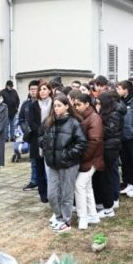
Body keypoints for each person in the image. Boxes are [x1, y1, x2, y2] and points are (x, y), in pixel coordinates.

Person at [41, 94, 87, 233]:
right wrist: (46, 148)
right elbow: (42, 137)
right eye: (54, 106)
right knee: (52, 194)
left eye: (59, 105)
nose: (56, 108)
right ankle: (59, 216)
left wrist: (67, 155)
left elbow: (82, 143)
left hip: (69, 164)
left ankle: (66, 221)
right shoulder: (50, 121)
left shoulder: (74, 122)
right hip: (53, 163)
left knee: (67, 194)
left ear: (67, 106)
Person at [73, 94, 103, 230]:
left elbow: (95, 141)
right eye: (74, 105)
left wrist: (83, 156)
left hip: (92, 159)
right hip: (89, 159)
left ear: (87, 104)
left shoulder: (94, 118)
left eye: (78, 104)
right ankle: (93, 215)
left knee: (79, 186)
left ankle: (83, 217)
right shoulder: (85, 117)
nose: (76, 107)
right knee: (87, 187)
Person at [93, 92, 122, 218]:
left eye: (99, 103)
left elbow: (110, 131)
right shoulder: (102, 115)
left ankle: (109, 207)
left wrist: (96, 129)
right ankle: (101, 204)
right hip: (103, 148)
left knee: (107, 178)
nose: (97, 105)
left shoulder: (113, 115)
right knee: (100, 177)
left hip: (110, 149)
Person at [26, 81, 52, 202]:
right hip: (37, 139)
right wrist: (41, 132)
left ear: (49, 90)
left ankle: (52, 192)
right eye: (40, 89)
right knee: (39, 167)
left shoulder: (54, 104)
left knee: (51, 169)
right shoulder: (33, 105)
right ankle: (43, 193)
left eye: (44, 89)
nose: (42, 91)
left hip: (52, 138)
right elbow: (31, 122)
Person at [19, 81, 39, 191]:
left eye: (35, 89)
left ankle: (42, 181)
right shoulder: (25, 104)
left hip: (40, 135)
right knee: (33, 160)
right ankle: (34, 180)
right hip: (31, 135)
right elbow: (21, 119)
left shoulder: (42, 103)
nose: (33, 91)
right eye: (31, 89)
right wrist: (26, 130)